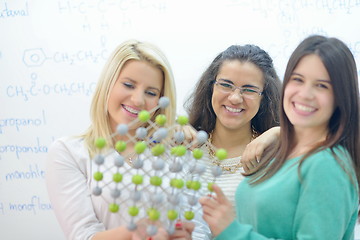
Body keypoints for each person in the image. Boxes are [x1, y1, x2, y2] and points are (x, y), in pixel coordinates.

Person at [200, 35, 360, 239]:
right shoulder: (283, 151)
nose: (304, 94)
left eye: (321, 86)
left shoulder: (327, 164)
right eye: (298, 80)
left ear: (341, 97)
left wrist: (231, 231)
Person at [45, 39, 194, 240]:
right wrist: (134, 232)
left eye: (151, 93)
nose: (138, 100)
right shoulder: (69, 152)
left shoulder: (174, 150)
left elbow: (192, 225)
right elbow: (82, 235)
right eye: (128, 85)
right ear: (108, 84)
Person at [183, 44, 282, 239]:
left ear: (265, 97)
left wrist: (281, 133)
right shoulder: (187, 146)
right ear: (211, 86)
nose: (235, 98)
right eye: (226, 85)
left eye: (249, 90)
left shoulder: (274, 157)